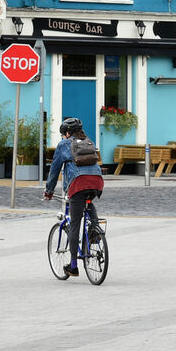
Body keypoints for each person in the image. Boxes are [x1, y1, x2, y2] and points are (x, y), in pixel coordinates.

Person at [43, 117, 104, 278]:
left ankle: (73, 265)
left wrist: (49, 190)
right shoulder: (89, 141)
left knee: (75, 221)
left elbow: (54, 170)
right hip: (97, 181)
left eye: (63, 134)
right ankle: (95, 232)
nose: (63, 137)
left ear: (67, 133)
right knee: (88, 201)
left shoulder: (64, 144)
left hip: (78, 183)